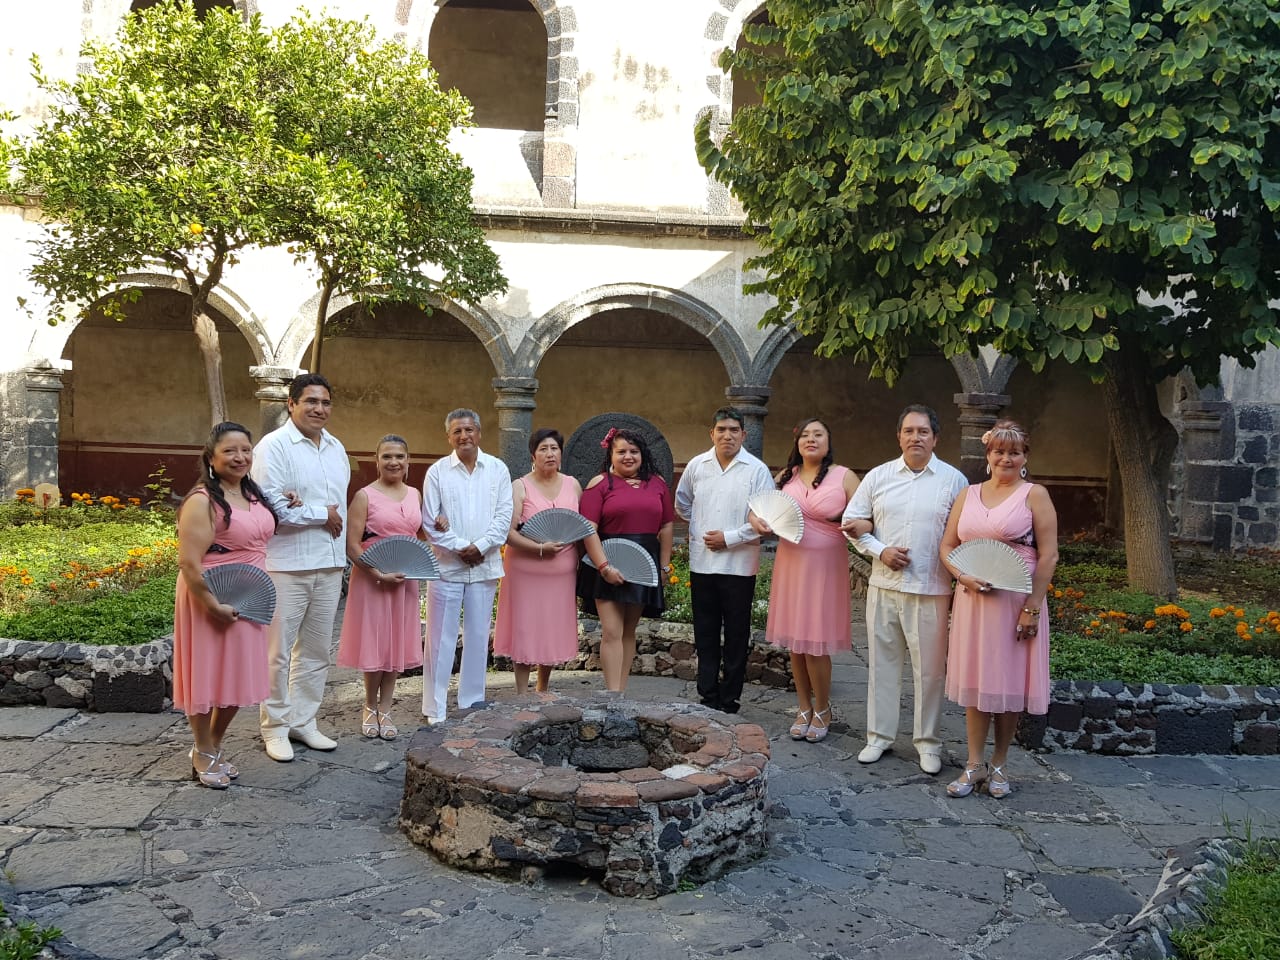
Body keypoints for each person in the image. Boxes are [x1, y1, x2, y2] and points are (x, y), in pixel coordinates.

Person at [840, 404, 967, 774]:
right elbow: (852, 521)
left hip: (931, 588)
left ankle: (928, 743)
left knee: (929, 671)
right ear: (899, 436)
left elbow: (962, 533)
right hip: (884, 584)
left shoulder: (953, 480)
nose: (916, 437)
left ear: (935, 438)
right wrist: (882, 551)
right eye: (909, 431)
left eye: (923, 431)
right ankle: (878, 737)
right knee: (883, 665)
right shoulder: (879, 477)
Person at [939, 420, 1058, 799]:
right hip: (973, 599)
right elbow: (946, 546)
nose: (1006, 458)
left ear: (1025, 457)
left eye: (1014, 452)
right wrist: (962, 575)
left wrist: (1033, 607)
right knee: (978, 685)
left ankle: (1000, 763)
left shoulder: (1034, 495)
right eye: (999, 451)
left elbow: (1049, 554)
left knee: (1007, 685)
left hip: (1015, 602)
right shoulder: (968, 494)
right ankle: (974, 764)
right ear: (988, 455)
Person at [252, 373, 350, 762]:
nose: (319, 409)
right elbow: (273, 507)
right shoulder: (273, 447)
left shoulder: (335, 447)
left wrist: (312, 513)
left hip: (328, 563)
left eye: (325, 402)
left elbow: (336, 509)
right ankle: (274, 726)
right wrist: (318, 514)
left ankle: (303, 721)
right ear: (291, 404)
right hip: (286, 564)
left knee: (315, 651)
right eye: (310, 401)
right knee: (277, 652)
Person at [173, 422, 278, 788]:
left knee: (238, 673)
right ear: (212, 458)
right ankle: (202, 747)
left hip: (250, 596)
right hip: (210, 592)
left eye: (246, 450)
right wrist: (211, 604)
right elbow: (189, 562)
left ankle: (212, 745)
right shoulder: (202, 500)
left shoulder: (252, 495)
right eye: (230, 451)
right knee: (206, 672)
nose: (240, 457)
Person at [750, 418, 859, 741]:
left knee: (816, 642)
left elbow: (867, 515)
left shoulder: (845, 476)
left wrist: (859, 527)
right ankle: (802, 707)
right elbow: (757, 509)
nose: (811, 440)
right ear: (797, 443)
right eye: (805, 435)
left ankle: (823, 708)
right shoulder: (785, 477)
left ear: (828, 441)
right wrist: (758, 522)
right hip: (791, 561)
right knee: (796, 643)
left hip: (826, 565)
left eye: (819, 434)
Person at [493, 428, 616, 693]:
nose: (549, 454)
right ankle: (521, 691)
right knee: (525, 626)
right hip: (526, 569)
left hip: (562, 570)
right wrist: (539, 548)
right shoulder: (520, 486)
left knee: (550, 626)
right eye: (543, 449)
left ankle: (543, 687)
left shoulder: (572, 484)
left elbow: (582, 526)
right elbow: (508, 533)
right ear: (533, 455)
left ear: (561, 454)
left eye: (554, 449)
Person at [676, 407, 773, 713]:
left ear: (744, 434)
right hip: (703, 563)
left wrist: (728, 537)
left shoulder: (756, 470)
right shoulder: (697, 466)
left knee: (736, 634)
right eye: (721, 430)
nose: (727, 435)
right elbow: (683, 502)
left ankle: (730, 698)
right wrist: (702, 529)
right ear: (712, 433)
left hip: (739, 566)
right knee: (704, 632)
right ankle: (707, 694)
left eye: (733, 430)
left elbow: (765, 516)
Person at [421, 409, 513, 723]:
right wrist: (462, 548)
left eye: (470, 430)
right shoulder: (437, 472)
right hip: (448, 566)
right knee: (440, 636)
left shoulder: (498, 470)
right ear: (449, 436)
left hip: (485, 565)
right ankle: (435, 707)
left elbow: (504, 517)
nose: (464, 436)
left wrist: (482, 546)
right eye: (458, 431)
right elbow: (431, 522)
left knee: (477, 634)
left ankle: (472, 701)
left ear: (479, 433)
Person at [335, 435, 425, 741]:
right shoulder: (364, 496)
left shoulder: (415, 494)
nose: (394, 462)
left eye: (400, 456)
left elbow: (417, 534)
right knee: (375, 642)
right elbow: (352, 545)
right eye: (387, 456)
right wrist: (376, 572)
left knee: (395, 644)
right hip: (372, 579)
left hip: (404, 580)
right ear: (377, 461)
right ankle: (368, 705)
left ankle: (385, 708)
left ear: (408, 461)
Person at [578, 427, 673, 692]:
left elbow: (666, 527)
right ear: (611, 454)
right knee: (612, 630)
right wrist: (604, 567)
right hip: (606, 559)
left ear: (642, 454)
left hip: (644, 562)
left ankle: (622, 689)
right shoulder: (599, 484)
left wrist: (664, 565)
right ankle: (612, 693)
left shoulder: (657, 483)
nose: (628, 456)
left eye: (634, 451)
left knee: (629, 630)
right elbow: (588, 528)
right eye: (621, 452)